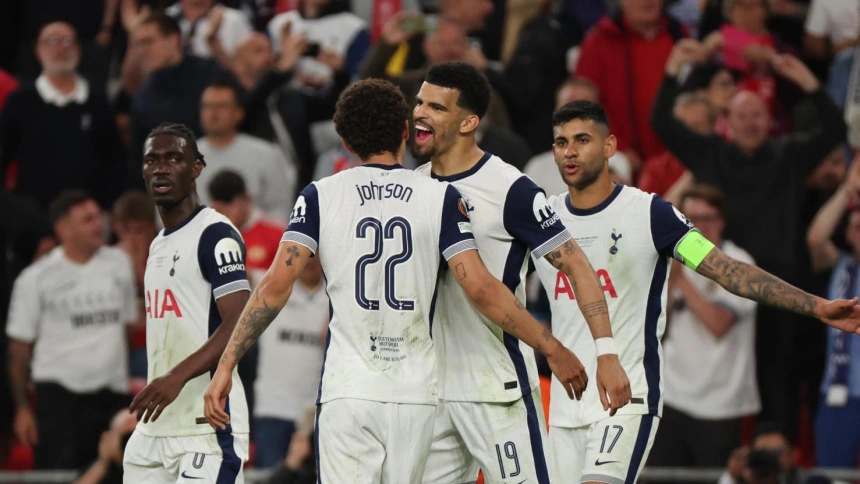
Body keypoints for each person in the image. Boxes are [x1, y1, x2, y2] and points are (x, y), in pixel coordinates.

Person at [204, 79, 589, 483]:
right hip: (415, 394)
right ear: (406, 131)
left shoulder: (320, 196)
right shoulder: (439, 197)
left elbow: (274, 288)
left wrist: (226, 363)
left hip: (348, 387)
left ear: (345, 141)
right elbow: (480, 287)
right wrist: (551, 347)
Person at [541, 99, 860, 483]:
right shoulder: (541, 219)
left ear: (609, 147)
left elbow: (729, 272)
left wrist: (817, 306)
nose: (570, 151)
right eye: (561, 143)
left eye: (581, 140)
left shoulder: (651, 216)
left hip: (628, 400)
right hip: (563, 407)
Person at [410, 62, 628, 484]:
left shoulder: (510, 188)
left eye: (436, 107)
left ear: (469, 122)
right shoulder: (415, 184)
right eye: (419, 102)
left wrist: (603, 350)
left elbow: (578, 266)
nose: (420, 112)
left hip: (497, 386)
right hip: (430, 388)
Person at [122, 123, 251, 481]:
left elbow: (241, 320)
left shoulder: (216, 234)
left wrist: (175, 377)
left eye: (174, 158)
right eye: (152, 160)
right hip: (154, 430)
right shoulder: (158, 244)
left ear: (196, 167)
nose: (161, 168)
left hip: (205, 427)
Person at [6, 190, 136, 469]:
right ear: (63, 229)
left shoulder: (120, 264)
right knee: (60, 473)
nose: (99, 224)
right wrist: (22, 409)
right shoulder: (36, 278)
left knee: (119, 473)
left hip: (112, 395)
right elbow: (19, 349)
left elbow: (125, 328)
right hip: (59, 401)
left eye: (98, 216)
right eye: (87, 219)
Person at [649, 184, 760, 469]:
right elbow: (659, 328)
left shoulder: (738, 263)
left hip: (720, 404)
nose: (700, 227)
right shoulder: (672, 262)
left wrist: (680, 281)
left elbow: (718, 324)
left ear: (721, 221)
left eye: (707, 218)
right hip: (671, 395)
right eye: (692, 219)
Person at [806, 157, 860, 468]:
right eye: (856, 226)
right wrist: (848, 189)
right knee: (833, 475)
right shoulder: (840, 265)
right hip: (841, 394)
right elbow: (816, 238)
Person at [197, 81, 297, 224]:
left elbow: (281, 208)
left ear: (239, 113)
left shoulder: (266, 154)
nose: (213, 113)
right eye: (207, 107)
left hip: (256, 241)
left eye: (221, 106)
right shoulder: (184, 158)